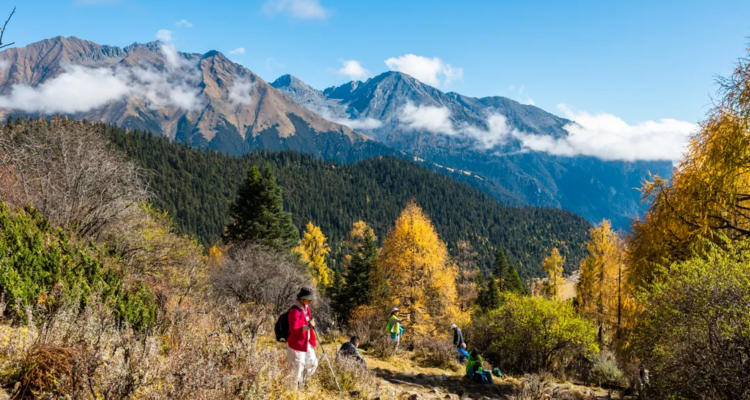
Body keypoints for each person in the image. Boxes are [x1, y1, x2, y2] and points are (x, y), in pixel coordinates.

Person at [286, 286, 318, 390]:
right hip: (296, 344)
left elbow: (308, 318)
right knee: (297, 368)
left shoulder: (306, 307)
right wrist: (309, 326)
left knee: (313, 363)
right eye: (308, 298)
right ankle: (293, 392)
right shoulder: (294, 311)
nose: (310, 301)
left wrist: (310, 323)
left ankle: (301, 382)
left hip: (306, 341)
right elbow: (294, 329)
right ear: (302, 298)